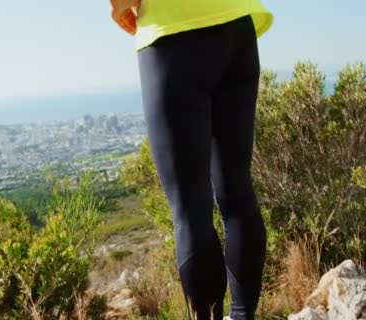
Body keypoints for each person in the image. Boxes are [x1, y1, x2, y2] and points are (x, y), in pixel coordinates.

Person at [110, 1, 273, 319]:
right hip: (237, 26)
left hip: (172, 34)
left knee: (190, 208)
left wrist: (120, 12)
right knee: (238, 192)